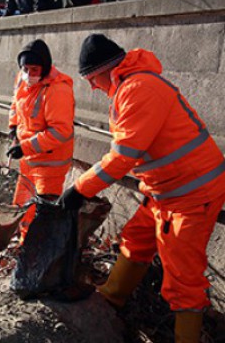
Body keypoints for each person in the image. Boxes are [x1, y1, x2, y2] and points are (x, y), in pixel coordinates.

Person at [59, 34, 225, 343]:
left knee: (182, 278)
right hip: (168, 191)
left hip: (191, 194)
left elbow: (124, 155)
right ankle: (111, 298)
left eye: (93, 79)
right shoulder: (131, 87)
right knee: (136, 238)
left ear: (105, 70)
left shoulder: (139, 89)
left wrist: (80, 189)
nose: (94, 88)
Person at [6, 39, 75, 295]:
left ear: (45, 68)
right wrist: (13, 129)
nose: (29, 74)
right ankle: (26, 253)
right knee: (24, 208)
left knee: (43, 216)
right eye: (26, 69)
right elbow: (16, 104)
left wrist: (26, 146)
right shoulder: (22, 78)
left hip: (50, 164)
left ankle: (40, 265)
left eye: (35, 70)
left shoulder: (57, 90)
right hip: (29, 159)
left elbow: (61, 132)